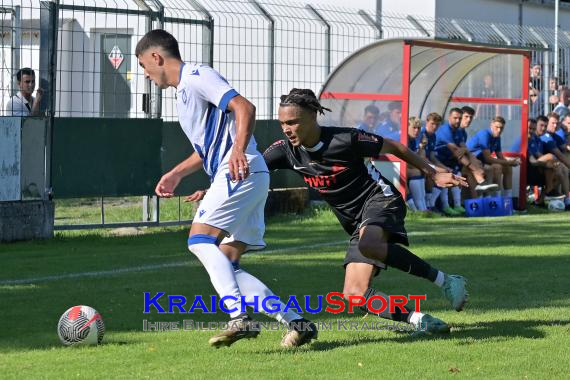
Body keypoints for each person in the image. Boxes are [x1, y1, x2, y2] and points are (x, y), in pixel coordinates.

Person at [135, 30, 315, 349]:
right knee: (227, 261)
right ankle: (297, 323)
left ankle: (239, 318)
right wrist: (177, 173)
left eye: (143, 67)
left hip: (240, 169)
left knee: (199, 241)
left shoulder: (196, 75)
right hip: (244, 173)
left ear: (156, 57)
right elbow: (207, 150)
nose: (146, 75)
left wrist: (236, 151)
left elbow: (244, 107)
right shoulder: (184, 94)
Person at [264, 89, 470, 318]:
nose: (286, 129)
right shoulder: (285, 151)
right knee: (354, 293)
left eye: (292, 122)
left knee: (368, 243)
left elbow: (395, 147)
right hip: (357, 224)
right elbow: (253, 170)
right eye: (282, 123)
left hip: (381, 199)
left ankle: (445, 282)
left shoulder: (346, 139)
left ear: (313, 116)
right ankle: (419, 321)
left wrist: (432, 174)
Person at [435, 108, 497, 214]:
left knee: (462, 174)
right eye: (456, 118)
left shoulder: (460, 132)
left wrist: (476, 164)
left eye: (460, 118)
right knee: (456, 174)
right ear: (449, 117)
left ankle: (470, 203)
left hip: (451, 163)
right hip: (439, 162)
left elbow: (465, 150)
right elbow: (456, 151)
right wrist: (474, 169)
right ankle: (476, 198)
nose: (458, 121)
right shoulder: (446, 130)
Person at [467, 116, 520, 198]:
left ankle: (507, 200)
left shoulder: (497, 137)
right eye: (497, 127)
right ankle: (496, 199)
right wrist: (509, 162)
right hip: (472, 162)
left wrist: (511, 163)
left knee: (508, 168)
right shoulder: (484, 134)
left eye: (501, 128)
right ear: (491, 125)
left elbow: (500, 156)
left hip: (482, 161)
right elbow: (488, 158)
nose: (499, 130)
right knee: (497, 167)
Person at [539, 113, 570, 209]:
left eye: (556, 123)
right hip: (540, 168)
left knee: (562, 168)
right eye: (552, 123)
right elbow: (559, 154)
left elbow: (566, 148)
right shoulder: (546, 136)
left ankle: (541, 200)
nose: (555, 126)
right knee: (562, 168)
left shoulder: (556, 136)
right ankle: (567, 200)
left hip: (551, 167)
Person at [406, 117, 428, 211]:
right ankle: (417, 209)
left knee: (421, 172)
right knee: (417, 172)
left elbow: (420, 159)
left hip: (404, 167)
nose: (416, 130)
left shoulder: (413, 140)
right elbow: (408, 161)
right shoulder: (404, 138)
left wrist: (422, 147)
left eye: (418, 128)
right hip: (390, 166)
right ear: (406, 127)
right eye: (414, 127)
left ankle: (423, 208)